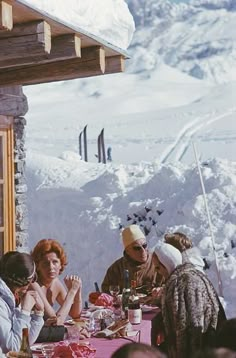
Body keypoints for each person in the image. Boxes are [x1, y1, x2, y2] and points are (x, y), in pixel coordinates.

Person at [153, 243, 226, 358]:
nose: (157, 271)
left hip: (204, 348)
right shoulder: (187, 274)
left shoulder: (184, 282)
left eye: (158, 267)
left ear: (166, 264)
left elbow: (192, 327)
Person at [0, 251, 44, 353]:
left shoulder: (12, 296)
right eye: (32, 279)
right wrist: (25, 312)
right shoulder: (1, 303)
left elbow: (24, 344)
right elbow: (15, 348)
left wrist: (38, 314)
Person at [31, 239, 82, 325]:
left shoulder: (55, 283)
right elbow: (55, 321)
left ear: (61, 264)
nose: (51, 267)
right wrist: (72, 292)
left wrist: (78, 290)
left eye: (55, 262)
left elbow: (75, 314)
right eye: (46, 263)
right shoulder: (34, 285)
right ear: (37, 266)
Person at [101, 224, 163, 294]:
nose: (143, 251)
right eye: (137, 248)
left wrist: (160, 291)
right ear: (127, 251)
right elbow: (106, 292)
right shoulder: (116, 269)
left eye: (144, 245)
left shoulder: (159, 263)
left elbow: (171, 287)